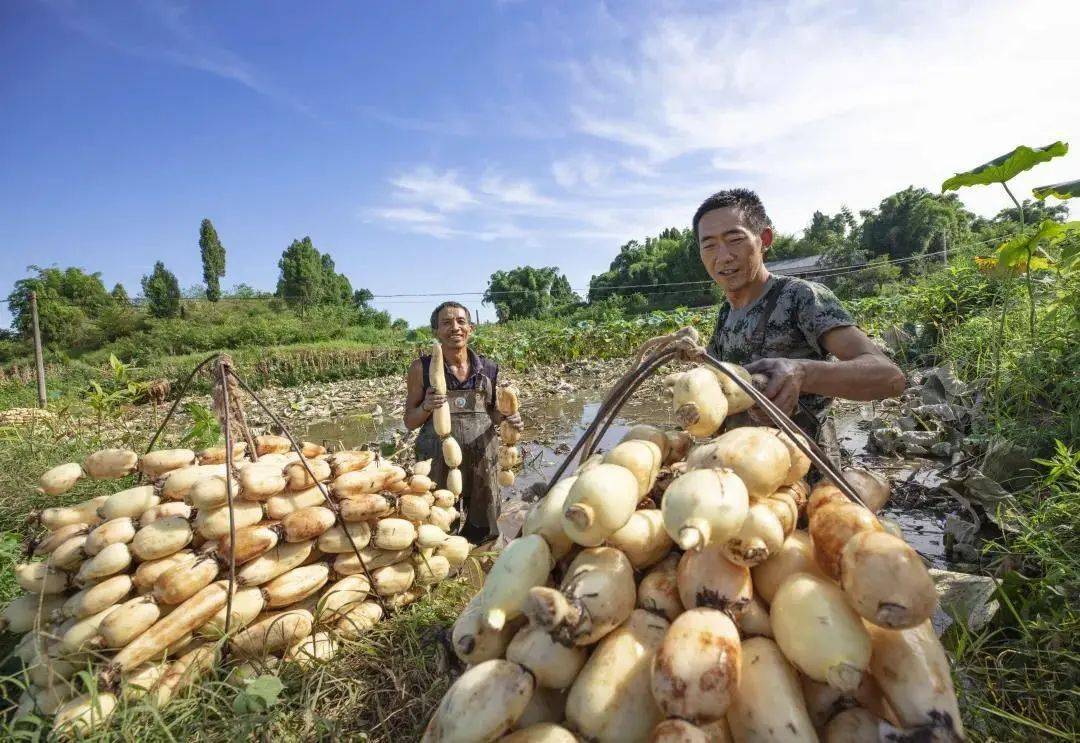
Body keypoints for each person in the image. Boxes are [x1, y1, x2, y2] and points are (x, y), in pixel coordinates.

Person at [694, 189, 906, 450]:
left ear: (764, 239)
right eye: (709, 245)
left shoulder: (800, 297)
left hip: (805, 471)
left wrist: (802, 373)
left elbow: (890, 378)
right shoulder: (725, 313)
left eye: (735, 239)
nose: (723, 256)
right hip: (740, 468)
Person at [403, 301, 524, 543]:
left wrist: (510, 419)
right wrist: (427, 406)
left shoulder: (488, 368)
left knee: (485, 530)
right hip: (436, 457)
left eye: (461, 322)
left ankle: (480, 565)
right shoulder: (422, 368)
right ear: (436, 331)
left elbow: (493, 413)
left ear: (471, 328)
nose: (455, 328)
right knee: (439, 525)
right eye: (446, 323)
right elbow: (409, 421)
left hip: (482, 457)